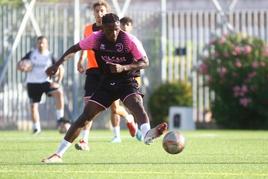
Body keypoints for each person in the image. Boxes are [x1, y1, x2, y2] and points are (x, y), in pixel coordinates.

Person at [42, 13, 168, 163]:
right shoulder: (95, 38)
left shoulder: (129, 40)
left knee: (136, 104)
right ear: (102, 28)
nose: (114, 33)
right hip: (107, 82)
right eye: (109, 30)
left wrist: (124, 67)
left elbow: (145, 62)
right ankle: (58, 155)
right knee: (85, 116)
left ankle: (147, 134)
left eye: (116, 29)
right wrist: (57, 64)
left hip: (127, 81)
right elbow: (74, 49)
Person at [75, 0, 138, 150]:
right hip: (92, 70)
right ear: (93, 13)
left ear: (107, 12)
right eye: (97, 11)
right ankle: (84, 140)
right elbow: (85, 46)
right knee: (88, 106)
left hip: (108, 72)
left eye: (102, 11)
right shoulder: (88, 29)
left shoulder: (111, 30)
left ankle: (128, 120)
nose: (99, 14)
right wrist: (81, 60)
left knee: (114, 108)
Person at [17, 36, 70, 134]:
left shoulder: (50, 55)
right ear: (36, 44)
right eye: (39, 43)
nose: (41, 45)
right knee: (33, 107)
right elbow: (19, 65)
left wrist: (58, 82)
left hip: (46, 82)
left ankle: (60, 119)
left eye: (43, 43)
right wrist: (22, 67)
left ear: (47, 44)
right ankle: (36, 128)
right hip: (32, 83)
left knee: (59, 92)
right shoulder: (31, 54)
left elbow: (61, 68)